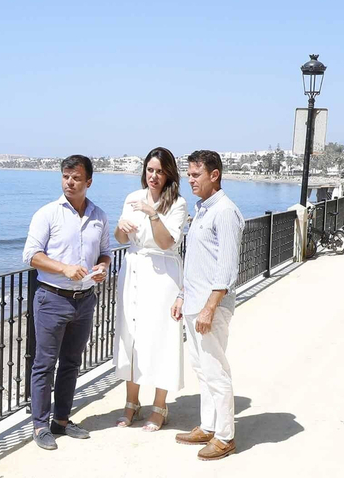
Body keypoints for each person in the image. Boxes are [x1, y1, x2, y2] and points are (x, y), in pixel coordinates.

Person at [23, 155, 113, 451]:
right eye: (65, 177)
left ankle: (61, 421)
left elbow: (105, 253)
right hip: (52, 298)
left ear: (88, 182)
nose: (70, 183)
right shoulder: (47, 214)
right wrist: (64, 268)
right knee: (44, 364)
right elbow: (31, 256)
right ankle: (40, 426)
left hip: (85, 300)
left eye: (76, 178)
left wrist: (102, 269)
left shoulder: (99, 216)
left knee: (71, 363)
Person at [172, 150, 244, 461]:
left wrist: (209, 307)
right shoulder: (203, 210)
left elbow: (227, 267)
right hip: (195, 303)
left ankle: (225, 436)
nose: (190, 180)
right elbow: (198, 263)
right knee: (202, 368)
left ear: (214, 175)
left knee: (215, 370)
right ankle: (209, 426)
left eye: (195, 175)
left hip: (210, 308)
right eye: (188, 175)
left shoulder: (225, 212)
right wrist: (183, 295)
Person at [113, 148, 189, 430]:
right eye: (149, 170)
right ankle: (131, 402)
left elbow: (167, 242)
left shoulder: (177, 203)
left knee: (160, 336)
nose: (153, 176)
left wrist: (153, 214)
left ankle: (160, 405)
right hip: (134, 269)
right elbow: (121, 237)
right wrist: (120, 227)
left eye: (159, 171)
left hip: (163, 273)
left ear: (168, 173)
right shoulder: (132, 197)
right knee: (130, 335)